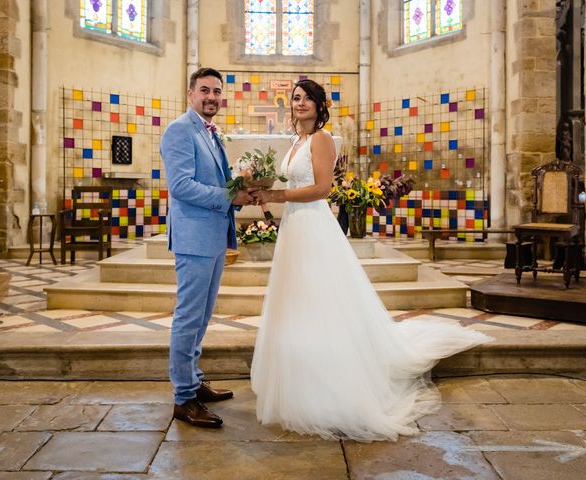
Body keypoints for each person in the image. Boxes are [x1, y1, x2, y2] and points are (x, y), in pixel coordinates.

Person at [250, 79, 492, 441]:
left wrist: (277, 193)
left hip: (314, 226)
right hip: (293, 229)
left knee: (320, 302)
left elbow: (322, 189)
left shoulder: (321, 138)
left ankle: (331, 385)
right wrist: (262, 193)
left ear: (319, 105)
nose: (300, 104)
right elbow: (291, 183)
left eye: (307, 99)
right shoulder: (295, 142)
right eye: (296, 99)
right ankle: (301, 373)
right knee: (297, 303)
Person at [161, 67, 255, 428]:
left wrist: (242, 190)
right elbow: (182, 186)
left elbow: (215, 183)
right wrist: (232, 195)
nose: (212, 96)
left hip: (214, 236)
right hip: (194, 237)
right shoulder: (180, 130)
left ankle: (194, 380)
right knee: (188, 315)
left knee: (202, 315)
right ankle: (183, 397)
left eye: (217, 91)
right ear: (190, 94)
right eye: (205, 90)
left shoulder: (210, 132)